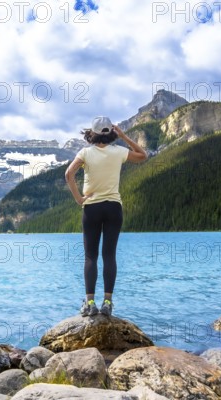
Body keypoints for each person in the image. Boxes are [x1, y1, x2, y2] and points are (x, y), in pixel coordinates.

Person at [65, 116, 148, 317]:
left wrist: (79, 199)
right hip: (113, 208)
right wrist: (124, 136)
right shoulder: (119, 152)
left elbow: (69, 174)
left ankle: (90, 303)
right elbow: (142, 155)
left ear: (91, 134)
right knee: (109, 255)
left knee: (90, 256)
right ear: (111, 133)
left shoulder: (85, 152)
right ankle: (108, 303)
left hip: (92, 207)